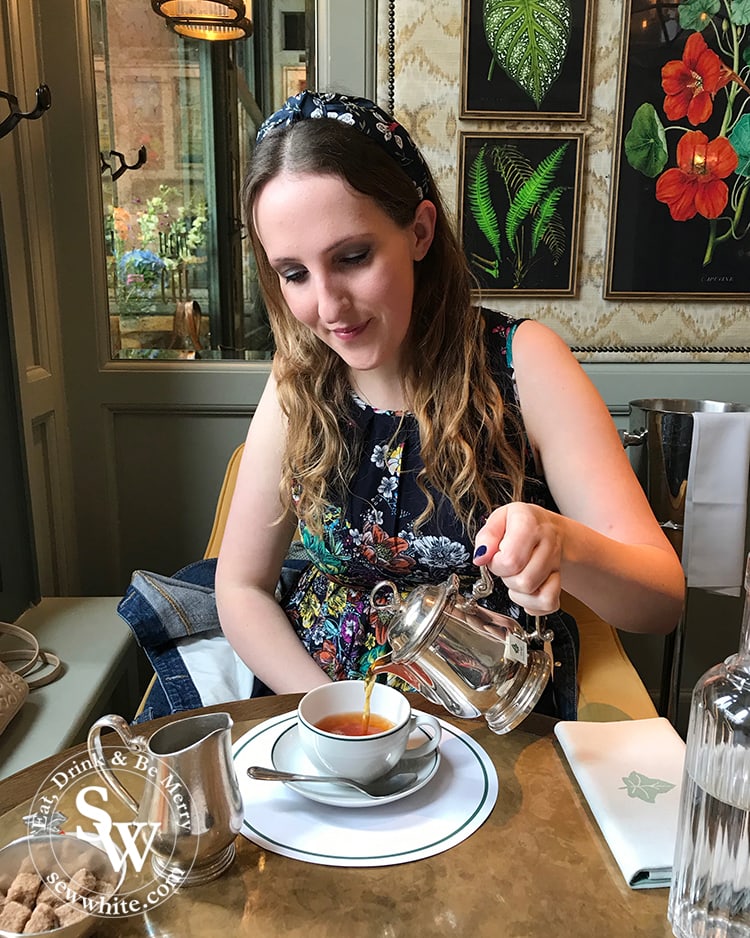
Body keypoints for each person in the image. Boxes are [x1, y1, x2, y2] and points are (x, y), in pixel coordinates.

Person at [215, 90, 685, 719]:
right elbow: (241, 587)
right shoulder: (295, 381)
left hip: (489, 721)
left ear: (419, 231)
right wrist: (329, 716)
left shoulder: (525, 364)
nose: (327, 309)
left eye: (352, 258)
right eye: (294, 273)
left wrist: (565, 545)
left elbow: (661, 603)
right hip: (319, 713)